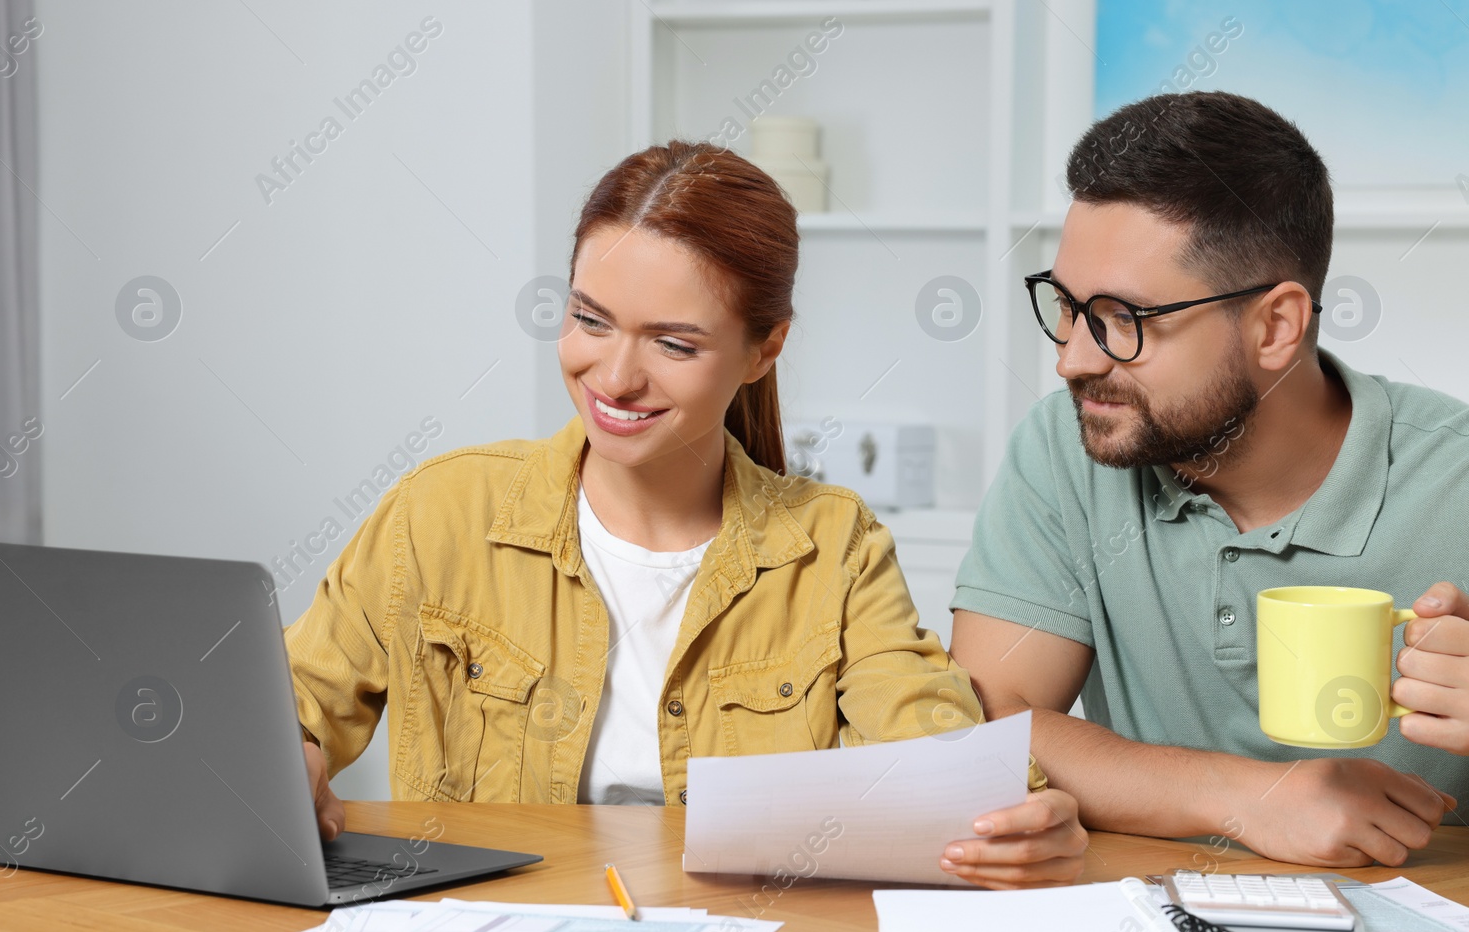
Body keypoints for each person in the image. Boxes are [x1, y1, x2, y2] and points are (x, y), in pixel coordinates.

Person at [288, 140, 1087, 889]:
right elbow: (289, 705)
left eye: (673, 344)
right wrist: (289, 760)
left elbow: (930, 746)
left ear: (763, 349)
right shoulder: (441, 512)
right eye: (589, 320)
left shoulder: (832, 546)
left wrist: (1011, 811)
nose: (615, 376)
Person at [950, 91, 1469, 872]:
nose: (1073, 358)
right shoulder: (1066, 448)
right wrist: (1250, 796)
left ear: (1276, 326)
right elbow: (984, 722)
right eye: (1065, 306)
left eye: (1122, 318)